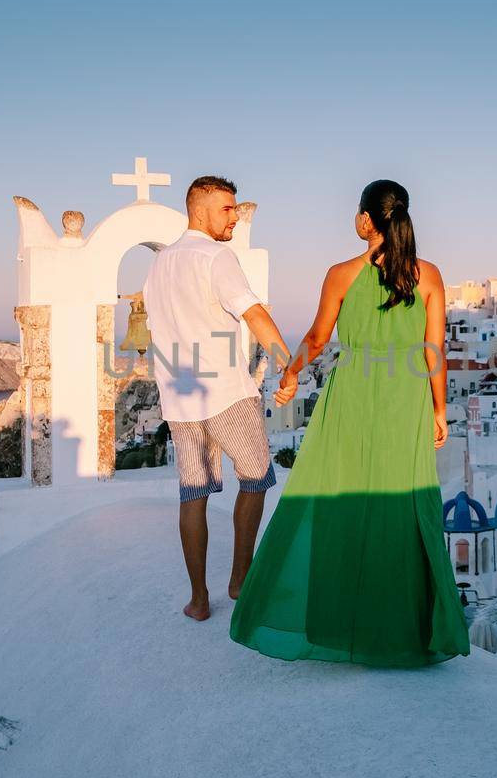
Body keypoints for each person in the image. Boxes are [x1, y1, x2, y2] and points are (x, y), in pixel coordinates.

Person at [229, 179, 470, 667]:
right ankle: (406, 628)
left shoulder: (341, 273)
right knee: (404, 506)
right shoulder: (429, 276)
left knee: (340, 499)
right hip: (406, 398)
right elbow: (434, 350)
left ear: (366, 221)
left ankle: (335, 621)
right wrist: (439, 409)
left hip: (353, 395)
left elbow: (318, 338)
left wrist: (291, 374)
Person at [143, 176, 291, 621]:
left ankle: (199, 600)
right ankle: (241, 579)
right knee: (257, 479)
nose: (234, 216)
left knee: (193, 494)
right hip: (225, 393)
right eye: (227, 209)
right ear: (200, 209)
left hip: (180, 397)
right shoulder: (215, 255)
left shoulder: (159, 264)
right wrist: (287, 362)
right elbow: (253, 312)